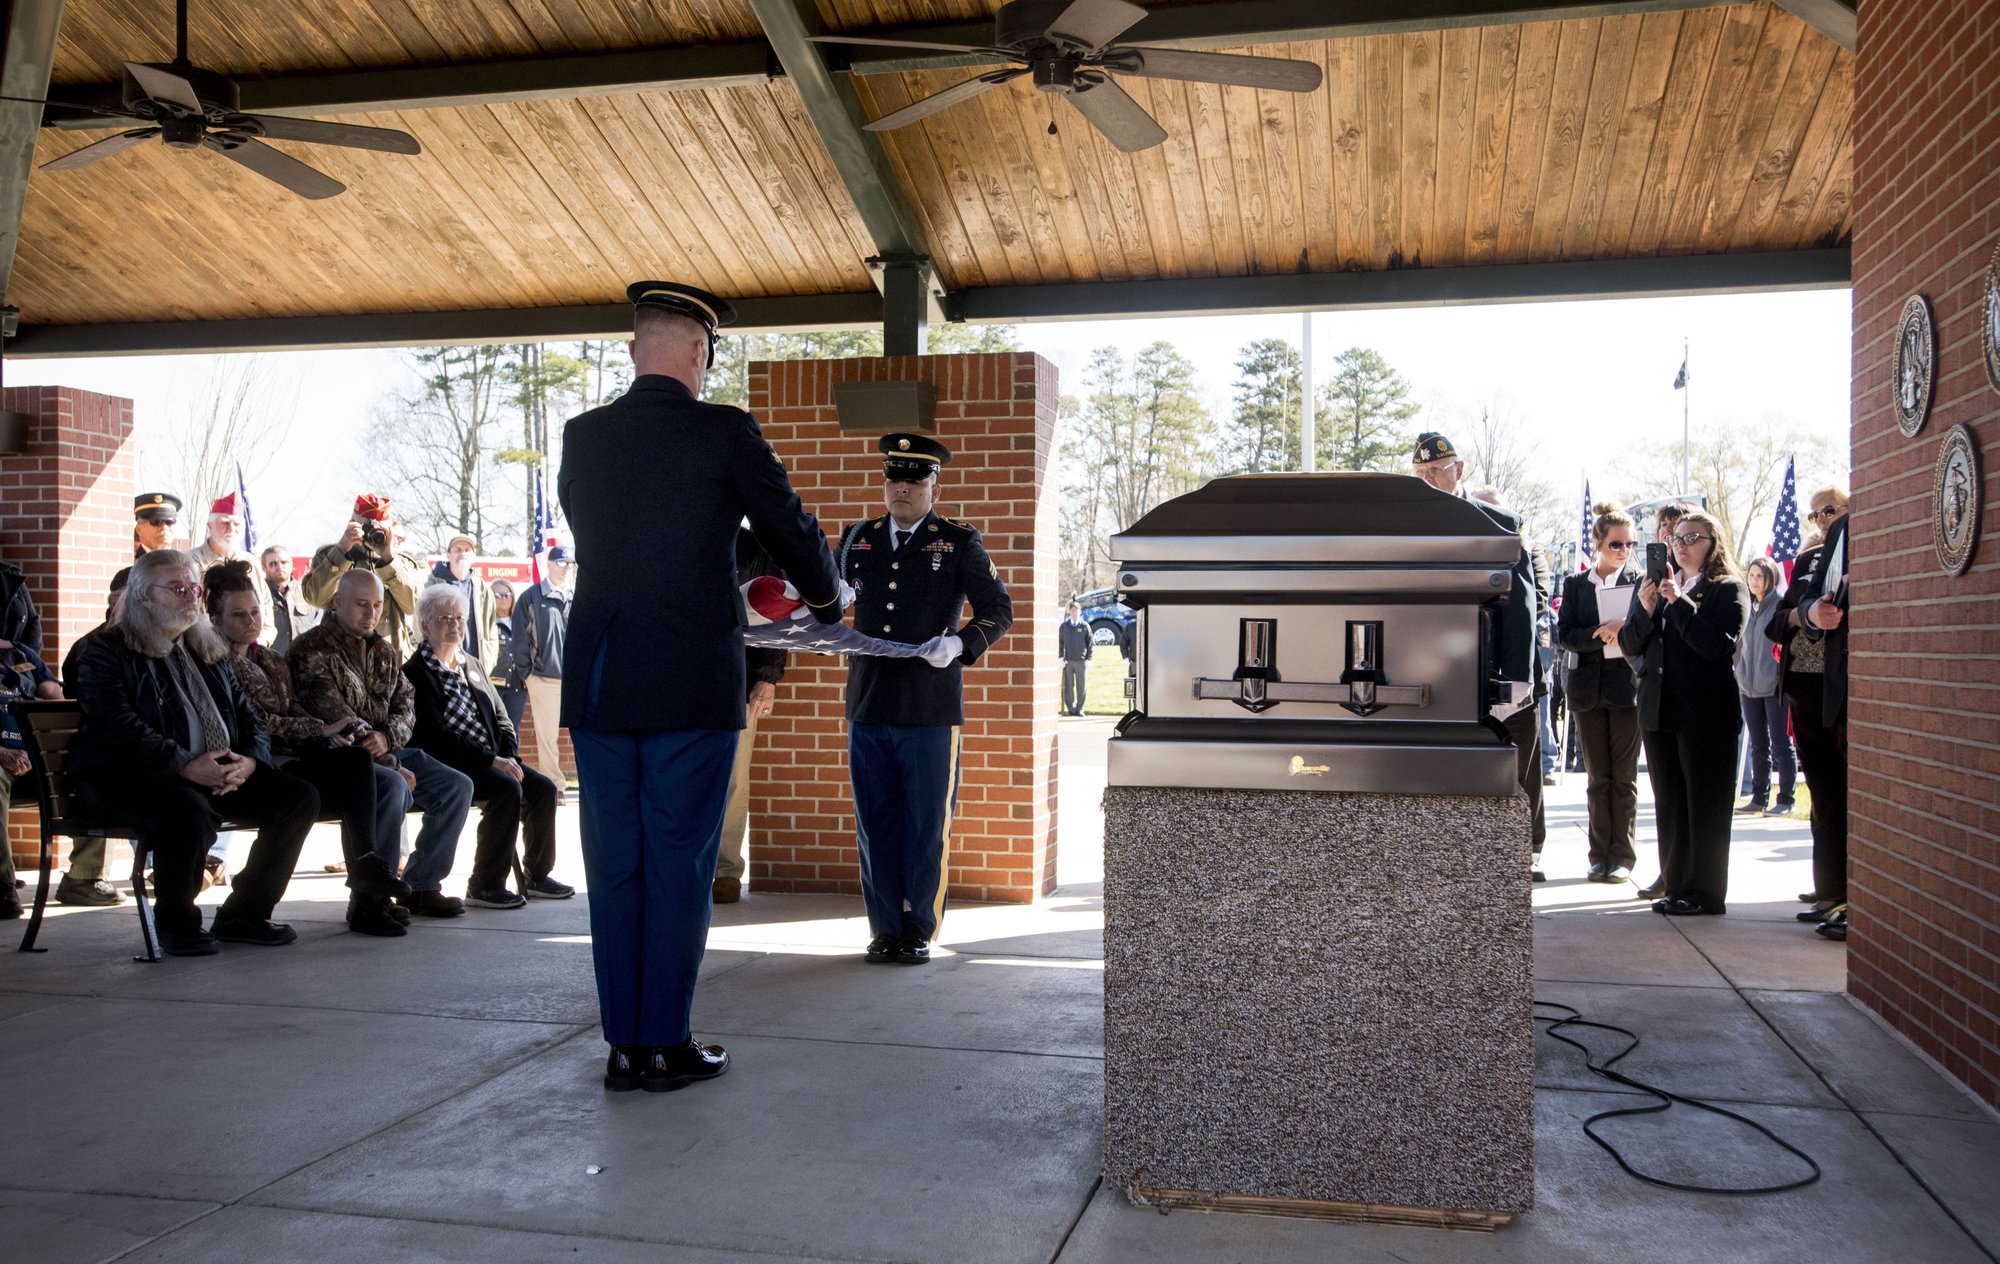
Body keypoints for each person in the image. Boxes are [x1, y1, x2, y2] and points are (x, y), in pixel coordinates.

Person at [558, 278, 846, 1093]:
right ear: (698, 352)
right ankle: (665, 1043)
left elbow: (592, 529)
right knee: (680, 862)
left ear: (632, 350)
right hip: (689, 678)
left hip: (606, 681)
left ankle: (623, 1045)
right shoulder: (725, 431)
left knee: (616, 867)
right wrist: (825, 600)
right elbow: (785, 523)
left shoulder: (583, 436)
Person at [68, 551, 318, 956]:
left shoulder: (204, 645)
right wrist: (184, 765)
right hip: (132, 778)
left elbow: (250, 717)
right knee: (187, 810)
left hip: (214, 772)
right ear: (144, 596)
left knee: (297, 797)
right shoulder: (105, 649)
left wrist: (250, 761)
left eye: (193, 588)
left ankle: (245, 913)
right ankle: (176, 923)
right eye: (177, 588)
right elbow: (116, 727)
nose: (190, 597)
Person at [839, 432, 1014, 966]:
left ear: (934, 485)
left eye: (914, 480)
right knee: (875, 821)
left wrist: (960, 643)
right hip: (869, 700)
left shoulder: (957, 540)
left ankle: (919, 928)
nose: (902, 489)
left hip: (930, 705)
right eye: (894, 478)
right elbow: (824, 598)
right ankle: (884, 928)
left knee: (925, 824)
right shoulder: (858, 537)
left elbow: (998, 609)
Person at [205, 559, 414, 937]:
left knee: (356, 762)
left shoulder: (269, 658)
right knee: (312, 794)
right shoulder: (215, 662)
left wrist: (328, 731)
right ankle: (361, 881)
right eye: (238, 615)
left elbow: (294, 709)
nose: (251, 621)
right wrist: (319, 728)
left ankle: (367, 881)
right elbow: (252, 722)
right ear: (215, 619)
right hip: (253, 763)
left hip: (292, 756)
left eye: (255, 612)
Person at [289, 568, 474, 919]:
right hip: (338, 760)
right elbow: (337, 719)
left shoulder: (383, 650)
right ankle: (372, 896)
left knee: (456, 786)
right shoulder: (311, 650)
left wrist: (388, 738)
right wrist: (390, 760)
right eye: (361, 604)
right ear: (337, 602)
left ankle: (421, 886)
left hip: (388, 750)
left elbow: (407, 704)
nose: (371, 614)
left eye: (376, 605)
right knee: (390, 786)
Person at [1413, 434, 1547, 880]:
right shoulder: (1410, 525)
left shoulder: (1499, 522)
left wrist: (1518, 678)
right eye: (1422, 473)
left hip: (1493, 668)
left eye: (1438, 470)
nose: (1430, 480)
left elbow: (1522, 605)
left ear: (1460, 470)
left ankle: (1523, 854)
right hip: (1441, 672)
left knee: (1514, 767)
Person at [405, 584, 573, 910]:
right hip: (453, 763)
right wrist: (492, 761)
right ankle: (485, 884)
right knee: (505, 789)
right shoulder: (416, 673)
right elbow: (436, 737)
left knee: (542, 788)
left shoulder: (472, 664)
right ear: (425, 625)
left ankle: (537, 876)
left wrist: (508, 755)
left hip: (492, 758)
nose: (455, 625)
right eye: (445, 618)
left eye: (459, 618)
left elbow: (502, 717)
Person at [1618, 508, 1749, 916]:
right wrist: (1646, 608)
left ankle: (1705, 893)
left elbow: (1716, 644)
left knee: (1704, 806)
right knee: (1671, 805)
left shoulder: (1728, 589)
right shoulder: (1661, 589)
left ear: (1713, 545)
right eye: (1676, 538)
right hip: (1662, 711)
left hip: (1706, 715)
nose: (1681, 545)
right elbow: (1629, 644)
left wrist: (1677, 603)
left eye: (1692, 538)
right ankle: (1676, 886)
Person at [1772, 486, 1851, 937]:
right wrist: (1805, 614)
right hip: (1803, 690)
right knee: (1821, 795)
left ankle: (1849, 896)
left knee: (1846, 794)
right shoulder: (1807, 562)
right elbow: (1775, 622)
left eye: (1830, 510)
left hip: (1841, 691)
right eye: (1815, 513)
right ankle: (1829, 894)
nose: (1821, 519)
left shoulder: (1860, 549)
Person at [1559, 504, 1643, 884]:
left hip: (1627, 690)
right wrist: (1599, 633)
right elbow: (1566, 636)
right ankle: (1599, 855)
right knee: (1597, 778)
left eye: (1630, 544)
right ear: (1597, 543)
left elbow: (1648, 633)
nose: (1623, 551)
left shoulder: (1642, 583)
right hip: (1587, 692)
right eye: (1615, 544)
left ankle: (1622, 857)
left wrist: (1624, 628)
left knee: (1623, 778)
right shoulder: (1577, 585)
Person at [713, 528, 787, 905]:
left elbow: (774, 616)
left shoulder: (754, 546)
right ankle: (680, 868)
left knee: (734, 782)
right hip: (676, 682)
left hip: (738, 681)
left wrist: (768, 678)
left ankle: (725, 872)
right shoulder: (671, 533)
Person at [303, 494, 426, 662]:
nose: (370, 534)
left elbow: (414, 607)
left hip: (389, 660)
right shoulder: (330, 555)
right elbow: (316, 598)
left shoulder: (402, 563)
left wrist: (388, 557)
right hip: (340, 658)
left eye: (377, 529)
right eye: (363, 527)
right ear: (350, 524)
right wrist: (342, 550)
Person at [0, 611, 63, 920]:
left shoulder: (21, 653)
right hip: (1, 760)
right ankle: (1, 884)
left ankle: (87, 876)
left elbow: (55, 696)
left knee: (91, 765)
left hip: (34, 753)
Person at [1735, 556, 1797, 817]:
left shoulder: (1778, 606)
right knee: (1759, 744)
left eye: (1760, 576)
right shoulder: (1747, 605)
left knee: (1781, 743)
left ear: (1771, 579)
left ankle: (1786, 799)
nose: (1754, 581)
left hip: (1773, 686)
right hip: (1748, 687)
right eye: (1751, 575)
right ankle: (1759, 798)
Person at [516, 546, 574, 783]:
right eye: (561, 562)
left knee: (581, 735)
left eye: (570, 563)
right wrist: (527, 674)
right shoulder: (531, 597)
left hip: (575, 679)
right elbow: (520, 638)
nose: (566, 568)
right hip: (544, 678)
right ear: (548, 564)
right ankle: (554, 784)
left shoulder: (577, 597)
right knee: (547, 736)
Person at [189, 493, 275, 646]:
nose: (231, 529)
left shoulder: (251, 562)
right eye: (225, 523)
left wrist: (259, 642)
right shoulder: (190, 562)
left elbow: (266, 607)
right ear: (210, 526)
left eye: (237, 524)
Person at [426, 533, 499, 666]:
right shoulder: (433, 587)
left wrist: (489, 658)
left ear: (473, 556)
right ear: (449, 555)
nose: (462, 553)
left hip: (476, 665)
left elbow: (491, 628)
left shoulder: (483, 590)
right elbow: (421, 626)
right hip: (442, 665)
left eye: (467, 550)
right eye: (457, 549)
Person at [261, 545, 318, 656]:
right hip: (272, 661)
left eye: (284, 562)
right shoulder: (259, 595)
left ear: (292, 564)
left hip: (305, 660)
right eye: (273, 564)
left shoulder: (307, 592)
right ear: (264, 567)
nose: (279, 567)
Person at [490, 578, 529, 733]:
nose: (504, 598)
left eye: (507, 594)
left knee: (512, 731)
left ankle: (512, 758)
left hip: (517, 686)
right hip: (492, 686)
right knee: (493, 730)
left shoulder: (522, 621)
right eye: (498, 594)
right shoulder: (485, 623)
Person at [1058, 601, 1091, 717]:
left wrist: (1088, 659)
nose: (1074, 612)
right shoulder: (1064, 626)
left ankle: (1079, 708)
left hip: (1081, 660)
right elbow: (1060, 643)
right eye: (1072, 610)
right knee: (1068, 685)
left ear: (1080, 611)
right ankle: (1070, 709)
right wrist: (1061, 657)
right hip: (1068, 660)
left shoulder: (1085, 626)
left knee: (1081, 685)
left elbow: (1090, 643)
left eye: (1076, 610)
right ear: (1069, 612)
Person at [133, 491, 181, 557]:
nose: (164, 527)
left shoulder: (184, 564)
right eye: (156, 522)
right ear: (139, 529)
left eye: (169, 522)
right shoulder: (128, 563)